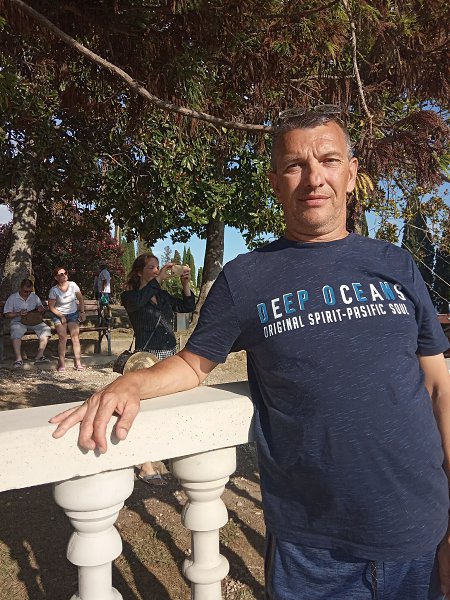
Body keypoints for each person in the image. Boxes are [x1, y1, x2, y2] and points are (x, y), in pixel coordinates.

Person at [50, 109, 450, 600]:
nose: (314, 178)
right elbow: (194, 363)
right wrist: (131, 381)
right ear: (275, 182)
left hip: (419, 528)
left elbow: (438, 386)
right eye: (295, 165)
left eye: (328, 160)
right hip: (311, 548)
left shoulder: (396, 264)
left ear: (351, 174)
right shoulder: (246, 278)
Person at [121, 253, 195, 484]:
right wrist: (159, 279)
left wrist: (185, 284)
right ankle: (146, 465)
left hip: (170, 355)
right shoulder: (130, 296)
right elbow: (139, 301)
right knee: (145, 410)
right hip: (147, 358)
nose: (156, 270)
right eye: (151, 267)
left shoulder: (161, 294)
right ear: (139, 271)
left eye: (157, 267)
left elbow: (186, 306)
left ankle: (169, 452)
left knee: (171, 404)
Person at [3, 278, 51, 368]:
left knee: (46, 330)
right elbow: (6, 314)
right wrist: (18, 313)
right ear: (20, 288)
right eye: (25, 291)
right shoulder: (13, 298)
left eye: (30, 291)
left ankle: (40, 355)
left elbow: (41, 308)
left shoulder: (34, 297)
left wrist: (41, 309)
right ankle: (18, 359)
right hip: (19, 321)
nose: (28, 293)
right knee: (16, 332)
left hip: (34, 321)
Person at [48, 267, 86, 372]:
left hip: (73, 314)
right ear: (56, 277)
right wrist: (61, 316)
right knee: (62, 337)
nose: (64, 275)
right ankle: (62, 363)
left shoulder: (73, 285)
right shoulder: (54, 290)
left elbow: (80, 299)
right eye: (61, 274)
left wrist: (82, 312)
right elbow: (51, 307)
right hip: (59, 314)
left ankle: (78, 362)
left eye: (65, 273)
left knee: (75, 336)